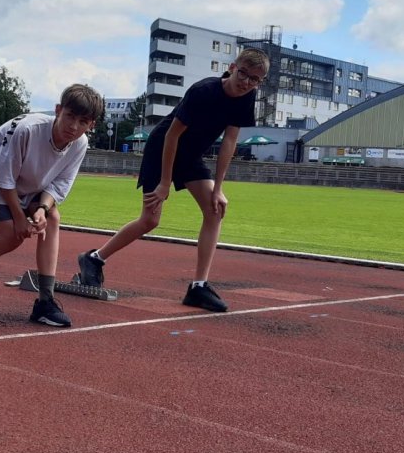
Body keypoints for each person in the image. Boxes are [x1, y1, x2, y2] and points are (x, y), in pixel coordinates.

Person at [75, 48, 271, 312]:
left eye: (255, 79)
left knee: (215, 210)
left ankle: (198, 287)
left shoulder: (247, 97)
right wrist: (164, 183)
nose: (246, 82)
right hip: (163, 149)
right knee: (150, 220)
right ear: (233, 67)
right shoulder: (203, 91)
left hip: (190, 156)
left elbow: (230, 141)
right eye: (244, 74)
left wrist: (218, 189)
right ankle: (94, 259)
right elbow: (172, 136)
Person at [0, 84, 105, 327]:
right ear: (58, 110)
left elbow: (60, 183)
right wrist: (19, 217)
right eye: (70, 116)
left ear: (91, 125)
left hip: (30, 178)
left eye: (83, 122)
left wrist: (42, 209)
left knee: (52, 219)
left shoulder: (80, 144)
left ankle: (45, 302)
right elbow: (4, 177)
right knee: (11, 236)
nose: (74, 126)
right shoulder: (28, 130)